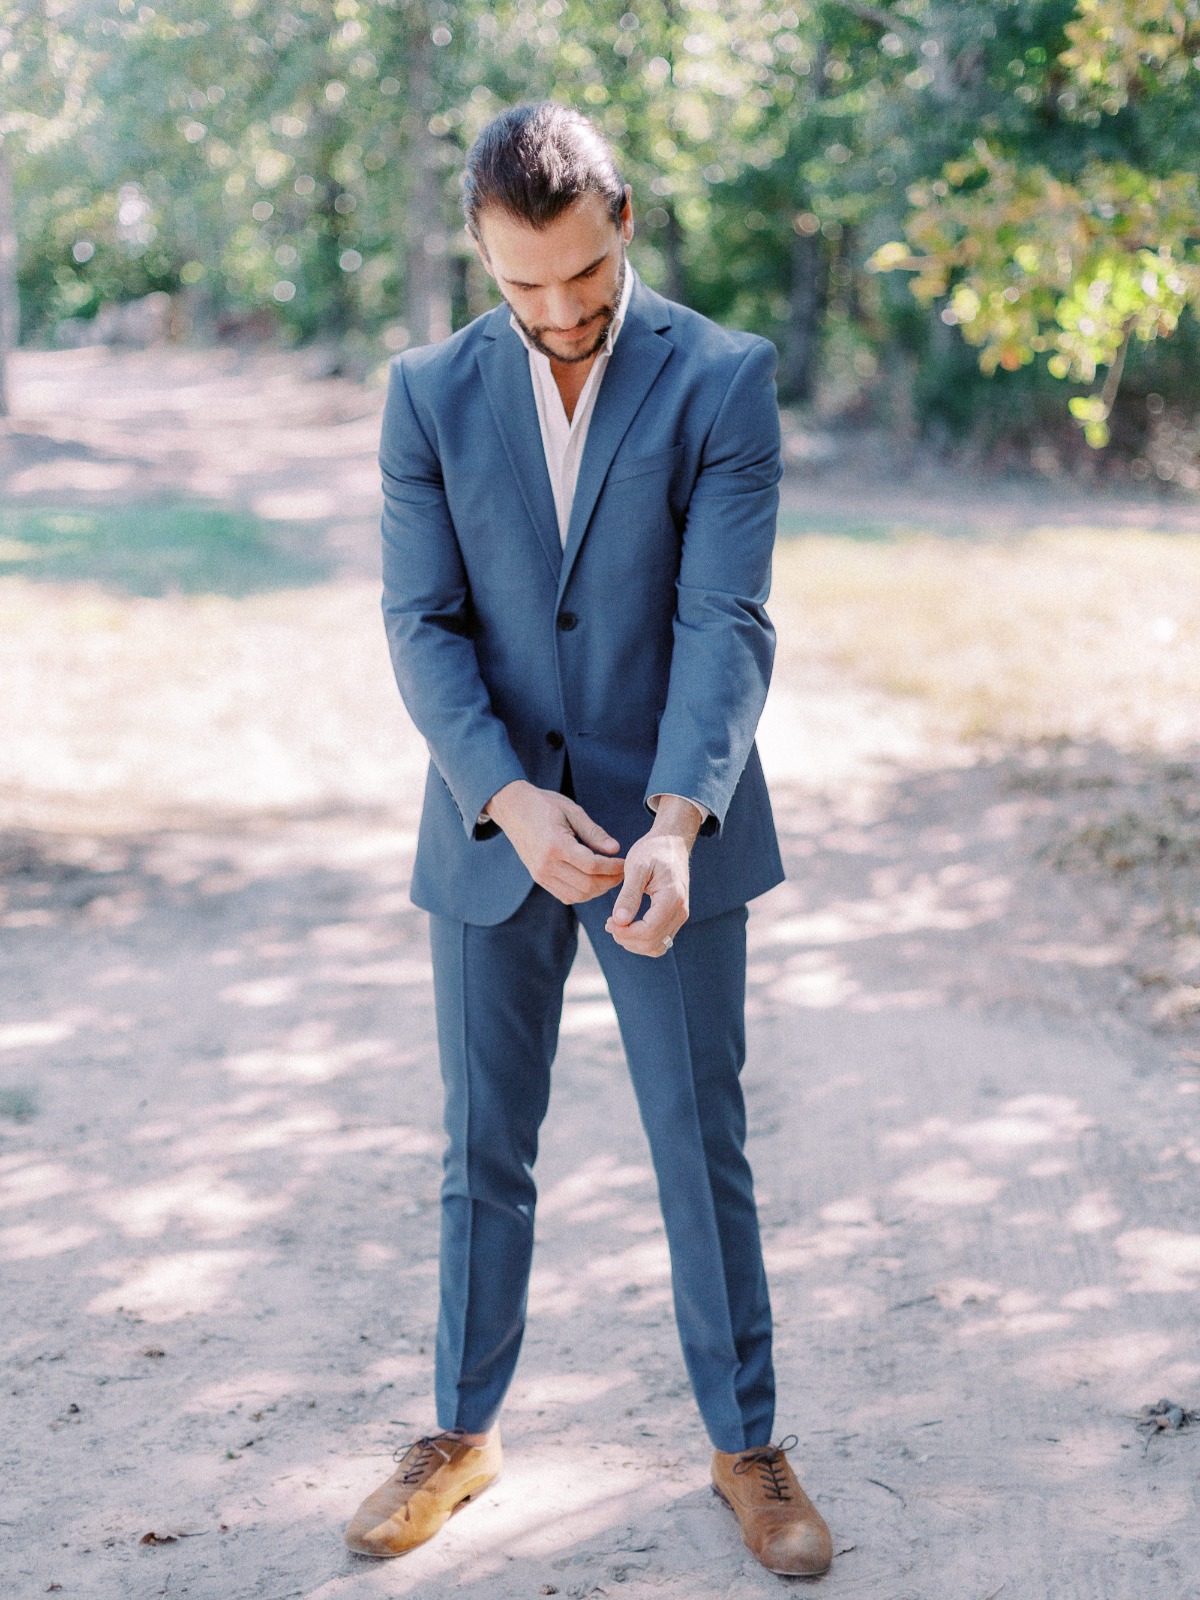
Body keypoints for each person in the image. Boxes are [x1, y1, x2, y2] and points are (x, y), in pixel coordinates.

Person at [343, 101, 832, 1580]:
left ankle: (747, 1445)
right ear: (481, 253)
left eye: (583, 281)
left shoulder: (725, 379)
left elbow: (725, 618)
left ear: (624, 218)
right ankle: (462, 1430)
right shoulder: (426, 393)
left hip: (669, 835)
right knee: (481, 1147)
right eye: (519, 287)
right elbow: (421, 624)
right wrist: (500, 793)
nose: (558, 317)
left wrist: (681, 819)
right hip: (493, 827)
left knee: (702, 1146)